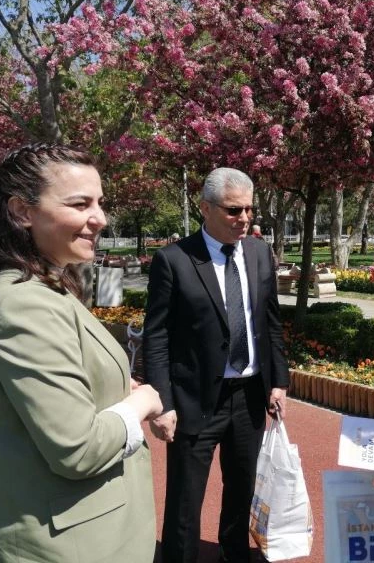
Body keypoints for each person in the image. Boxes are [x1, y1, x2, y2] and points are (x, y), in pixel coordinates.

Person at [0, 144, 163, 561]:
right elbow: (78, 449)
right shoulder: (26, 303)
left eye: (99, 202)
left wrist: (118, 388)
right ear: (22, 211)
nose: (100, 218)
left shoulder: (38, 288)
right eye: (80, 204)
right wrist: (143, 402)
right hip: (62, 543)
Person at [144, 167, 290, 563]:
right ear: (205, 208)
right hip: (194, 399)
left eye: (249, 209)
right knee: (186, 497)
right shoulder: (173, 260)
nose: (244, 218)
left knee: (242, 489)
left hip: (250, 395)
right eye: (233, 210)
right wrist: (162, 403)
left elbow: (270, 322)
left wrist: (279, 381)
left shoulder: (259, 253)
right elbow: (156, 336)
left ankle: (233, 553)